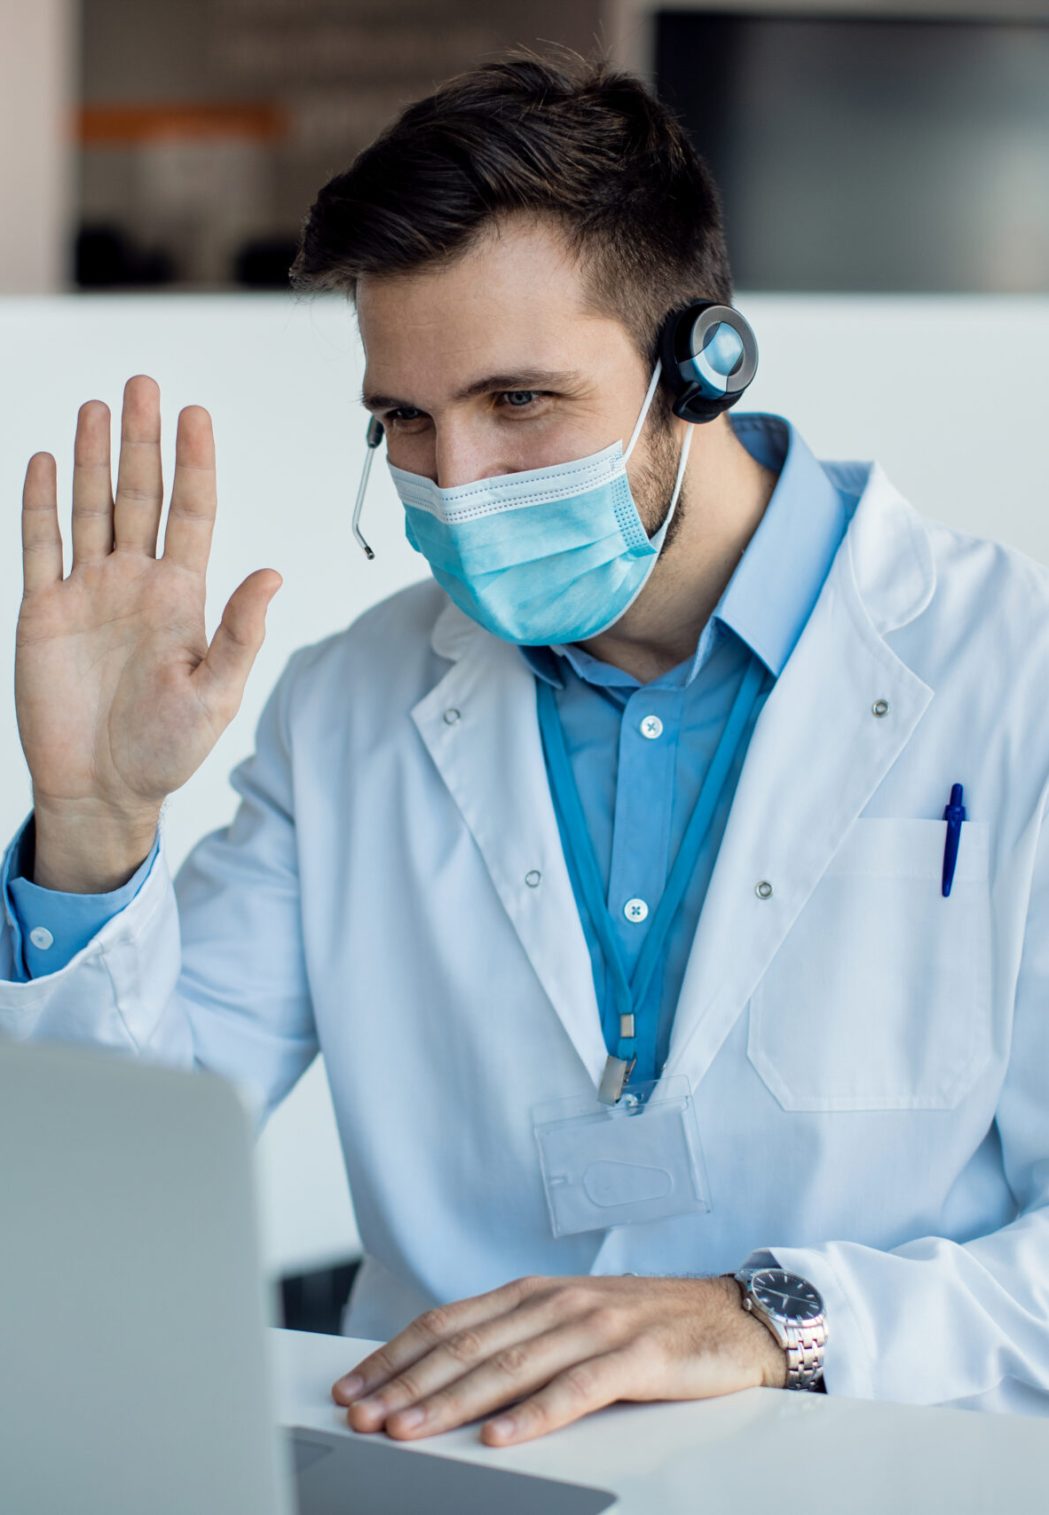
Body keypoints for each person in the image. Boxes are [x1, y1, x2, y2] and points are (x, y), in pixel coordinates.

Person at [3, 50, 1049, 1446]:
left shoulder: (1009, 672)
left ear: (701, 368)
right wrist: (94, 821)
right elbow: (112, 1182)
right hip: (449, 1467)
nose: (457, 483)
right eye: (404, 420)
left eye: (518, 402)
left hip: (858, 1467)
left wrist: (771, 1322)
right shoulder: (348, 706)